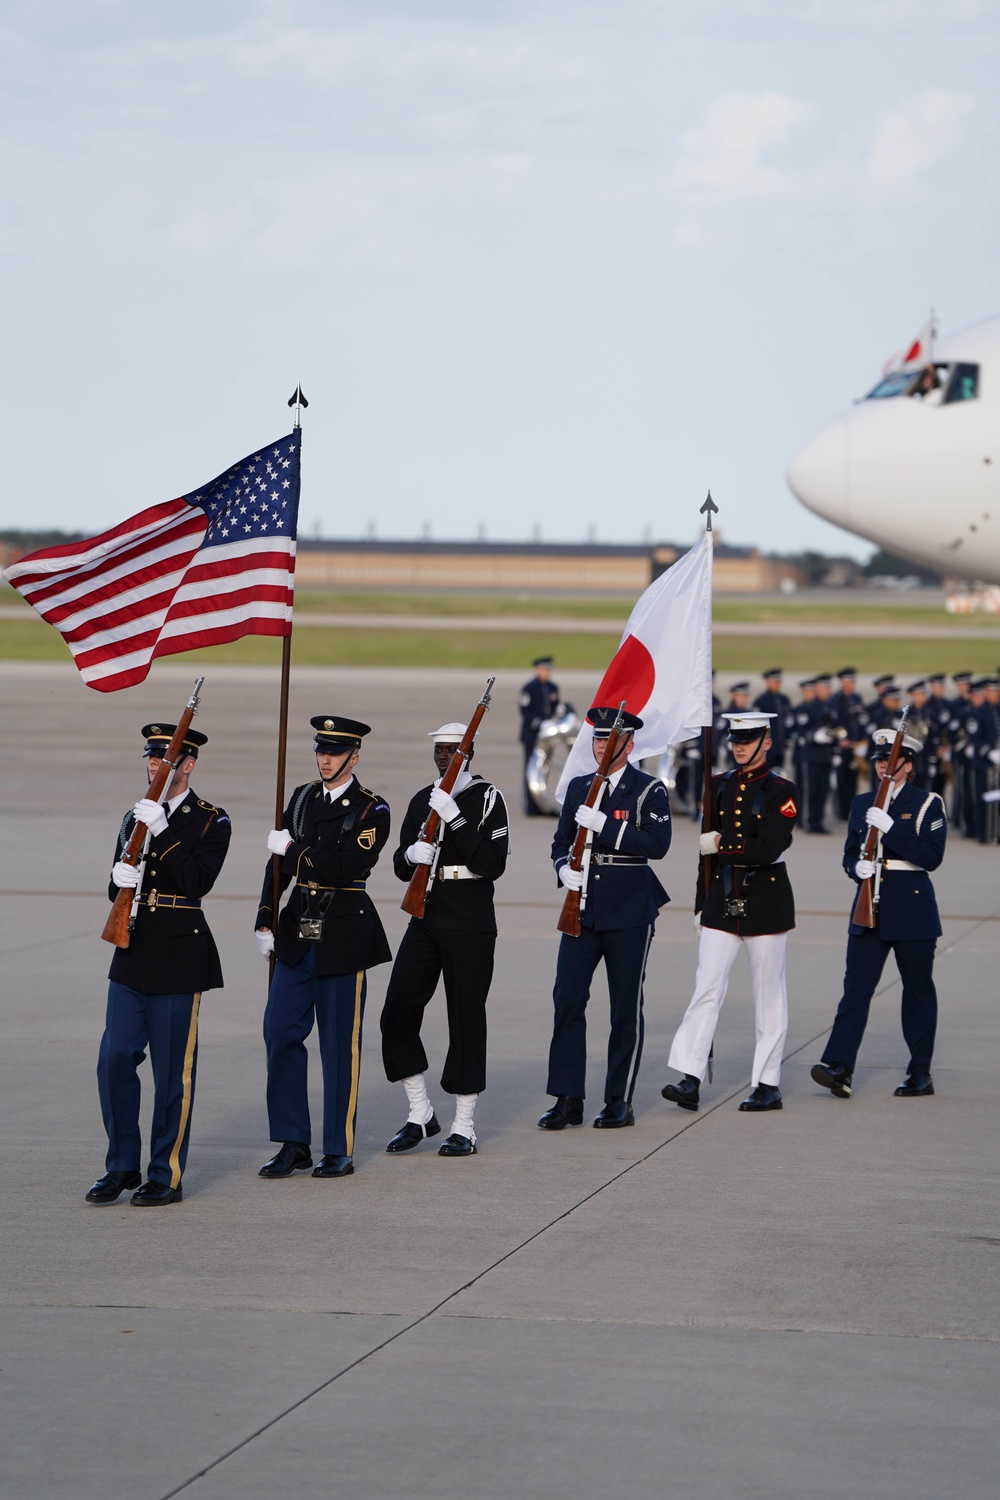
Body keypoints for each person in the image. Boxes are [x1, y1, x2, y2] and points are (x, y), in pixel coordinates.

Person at [86, 723, 231, 1207]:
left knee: (172, 1074)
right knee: (113, 1060)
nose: (155, 765)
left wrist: (162, 831)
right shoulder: (134, 815)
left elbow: (195, 882)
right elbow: (118, 890)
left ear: (187, 765)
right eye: (151, 757)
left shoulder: (212, 820)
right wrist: (118, 875)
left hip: (178, 955)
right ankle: (122, 1165)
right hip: (131, 951)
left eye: (166, 759)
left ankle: (165, 1174)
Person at [255, 715, 391, 1180]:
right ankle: (294, 1141)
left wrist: (292, 851)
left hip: (344, 935)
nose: (325, 759)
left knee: (339, 1047)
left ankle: (339, 1146)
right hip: (297, 933)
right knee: (279, 1032)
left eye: (335, 752)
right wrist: (266, 916)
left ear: (354, 756)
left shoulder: (373, 810)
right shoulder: (303, 798)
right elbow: (280, 870)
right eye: (320, 750)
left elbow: (340, 866)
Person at [538, 707, 672, 1131]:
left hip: (629, 910)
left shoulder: (648, 789)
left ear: (628, 746)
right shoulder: (579, 787)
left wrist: (606, 828)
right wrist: (563, 868)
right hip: (582, 908)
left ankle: (618, 1099)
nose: (601, 747)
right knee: (568, 1000)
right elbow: (561, 841)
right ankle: (567, 1098)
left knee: (624, 1009)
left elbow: (657, 844)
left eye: (609, 741)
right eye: (596, 740)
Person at [380, 722, 510, 1156]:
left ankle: (465, 1124)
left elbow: (492, 863)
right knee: (397, 1008)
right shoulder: (423, 798)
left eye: (452, 750)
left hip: (471, 918)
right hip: (427, 915)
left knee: (466, 1018)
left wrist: (455, 819)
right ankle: (419, 1110)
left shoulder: (488, 798)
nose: (444, 756)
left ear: (469, 752)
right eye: (439, 750)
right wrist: (411, 854)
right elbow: (401, 864)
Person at [661, 713, 798, 1115]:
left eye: (749, 739)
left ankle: (767, 1084)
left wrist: (722, 844)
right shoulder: (717, 786)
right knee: (706, 987)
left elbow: (767, 848)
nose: (740, 746)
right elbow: (703, 860)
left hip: (766, 901)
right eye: (736, 739)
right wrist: (700, 904)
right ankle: (690, 1077)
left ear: (766, 742)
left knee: (768, 994)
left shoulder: (781, 792)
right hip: (721, 900)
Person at [810, 729, 947, 1100]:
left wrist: (892, 828)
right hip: (868, 905)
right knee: (855, 989)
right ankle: (839, 1065)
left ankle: (920, 1072)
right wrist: (857, 869)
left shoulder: (927, 803)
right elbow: (850, 853)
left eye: (892, 760)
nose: (885, 765)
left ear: (909, 764)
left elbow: (931, 857)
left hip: (912, 907)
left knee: (917, 991)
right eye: (880, 760)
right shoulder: (862, 803)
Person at [519, 656, 561, 816]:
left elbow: (555, 707)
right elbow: (524, 710)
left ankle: (542, 803)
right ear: (537, 669)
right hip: (532, 735)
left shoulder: (553, 687)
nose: (547, 672)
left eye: (549, 669)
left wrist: (559, 713)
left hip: (548, 737)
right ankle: (531, 806)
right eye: (544, 669)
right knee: (531, 769)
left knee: (544, 769)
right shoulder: (529, 688)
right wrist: (538, 722)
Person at [829, 667, 866, 820]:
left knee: (853, 779)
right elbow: (831, 724)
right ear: (841, 682)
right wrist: (839, 739)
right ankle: (841, 811)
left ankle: (850, 809)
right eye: (847, 681)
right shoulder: (835, 700)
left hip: (856, 747)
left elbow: (861, 721)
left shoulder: (857, 698)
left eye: (852, 681)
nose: (850, 684)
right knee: (841, 779)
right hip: (841, 748)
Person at [754, 667, 789, 771]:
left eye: (779, 681)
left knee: (778, 775)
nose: (777, 684)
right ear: (768, 682)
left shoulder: (784, 700)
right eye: (775, 681)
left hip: (780, 746)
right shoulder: (761, 701)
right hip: (767, 747)